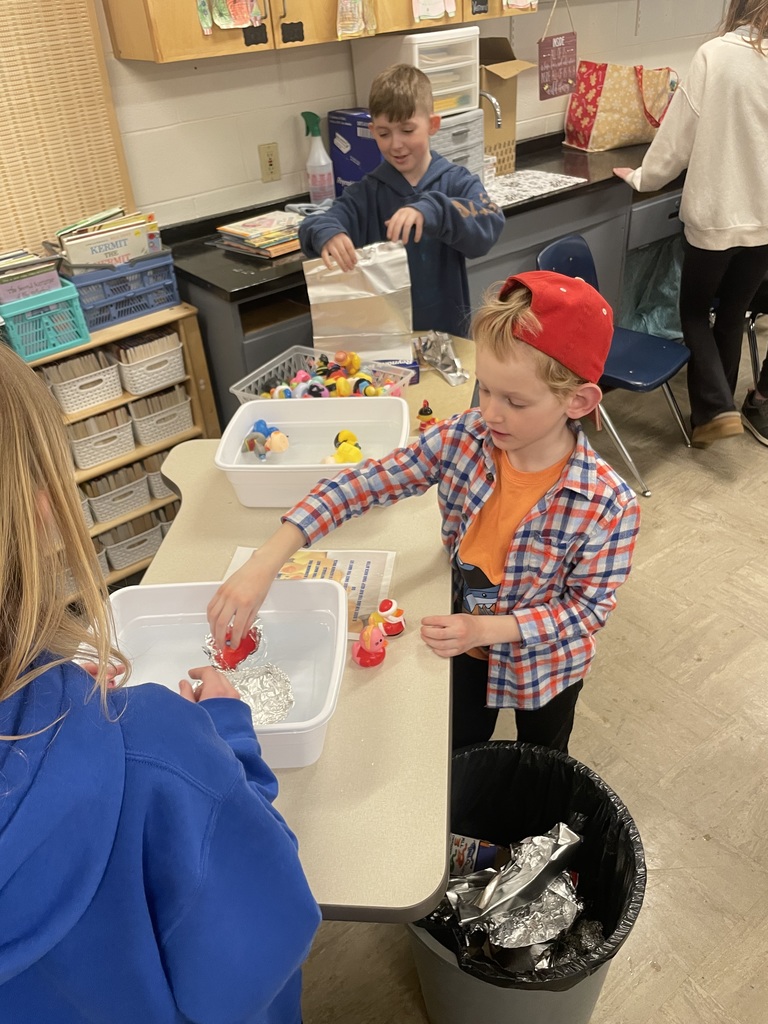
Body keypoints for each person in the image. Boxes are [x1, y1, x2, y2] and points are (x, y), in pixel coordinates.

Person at [0, 343, 320, 1023]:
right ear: (40, 508)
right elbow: (274, 927)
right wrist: (228, 741)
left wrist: (48, 695)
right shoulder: (150, 744)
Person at [208, 271, 641, 754]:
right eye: (485, 389)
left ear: (578, 401)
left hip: (545, 665)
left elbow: (586, 610)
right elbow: (364, 483)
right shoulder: (464, 437)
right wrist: (268, 558)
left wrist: (488, 629)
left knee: (543, 756)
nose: (490, 413)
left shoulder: (609, 504)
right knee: (460, 749)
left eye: (515, 401)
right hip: (463, 644)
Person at [613, 0, 768, 449]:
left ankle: (716, 409)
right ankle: (709, 417)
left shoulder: (715, 56)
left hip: (717, 215)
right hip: (764, 221)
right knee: (733, 313)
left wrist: (643, 179)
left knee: (696, 313)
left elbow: (676, 140)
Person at [298, 63, 505, 339]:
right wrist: (327, 234)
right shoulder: (367, 192)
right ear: (373, 131)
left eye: (407, 130)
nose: (395, 144)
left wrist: (434, 210)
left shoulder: (456, 182)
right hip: (386, 342)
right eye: (384, 133)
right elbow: (315, 223)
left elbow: (490, 221)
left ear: (433, 125)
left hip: (446, 338)